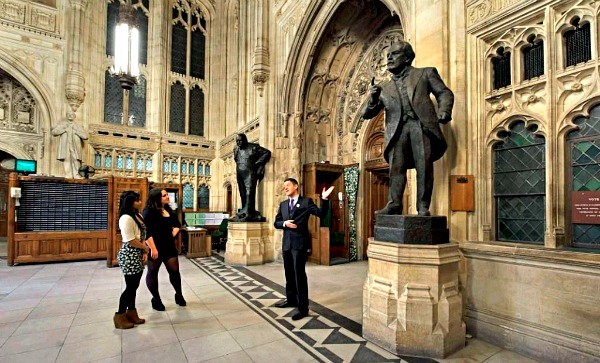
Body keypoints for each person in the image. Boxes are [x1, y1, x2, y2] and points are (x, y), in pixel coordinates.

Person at [362, 41, 454, 216]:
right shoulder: (383, 87)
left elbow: (444, 93)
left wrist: (444, 111)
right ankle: (394, 204)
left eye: (394, 54)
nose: (389, 58)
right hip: (397, 131)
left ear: (407, 58)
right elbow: (367, 114)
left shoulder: (425, 73)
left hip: (421, 126)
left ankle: (423, 206)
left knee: (424, 167)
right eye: (388, 55)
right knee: (396, 169)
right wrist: (373, 99)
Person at [273, 178, 334, 320]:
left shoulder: (306, 202)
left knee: (299, 275)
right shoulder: (282, 205)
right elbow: (276, 223)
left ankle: (303, 307)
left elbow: (321, 213)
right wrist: (284, 223)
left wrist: (324, 199)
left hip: (299, 245)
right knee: (289, 273)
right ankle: (291, 299)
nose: (285, 188)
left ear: (296, 186)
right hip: (287, 244)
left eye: (288, 185)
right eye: (284, 186)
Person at [142, 188, 186, 311]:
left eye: (167, 194)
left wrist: (173, 233)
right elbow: (147, 232)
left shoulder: (167, 210)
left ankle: (179, 295)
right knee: (152, 272)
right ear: (156, 198)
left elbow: (177, 224)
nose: (168, 197)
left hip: (169, 246)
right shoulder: (148, 212)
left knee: (175, 272)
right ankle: (156, 299)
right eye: (164, 195)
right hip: (155, 246)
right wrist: (153, 249)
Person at [114, 191, 149, 329]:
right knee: (130, 287)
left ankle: (131, 312)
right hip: (130, 254)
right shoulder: (126, 218)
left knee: (134, 286)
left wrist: (143, 251)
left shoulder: (137, 215)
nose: (140, 202)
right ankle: (119, 315)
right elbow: (130, 240)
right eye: (137, 200)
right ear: (130, 202)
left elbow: (142, 234)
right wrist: (145, 248)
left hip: (138, 253)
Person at [231, 133, 271, 222]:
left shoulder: (253, 147)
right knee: (242, 192)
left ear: (245, 140)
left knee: (249, 191)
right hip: (239, 172)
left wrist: (257, 163)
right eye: (237, 141)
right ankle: (243, 210)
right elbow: (236, 159)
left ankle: (249, 212)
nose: (238, 143)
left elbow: (267, 153)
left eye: (240, 140)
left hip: (249, 172)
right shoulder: (236, 148)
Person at [51, 112, 89, 179]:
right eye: (68, 115)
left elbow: (85, 136)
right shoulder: (62, 124)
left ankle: (77, 175)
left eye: (72, 115)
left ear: (74, 117)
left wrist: (76, 131)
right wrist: (64, 130)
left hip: (75, 146)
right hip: (66, 145)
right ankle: (68, 175)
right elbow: (54, 132)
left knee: (76, 160)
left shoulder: (78, 125)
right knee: (67, 160)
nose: (70, 116)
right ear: (66, 116)